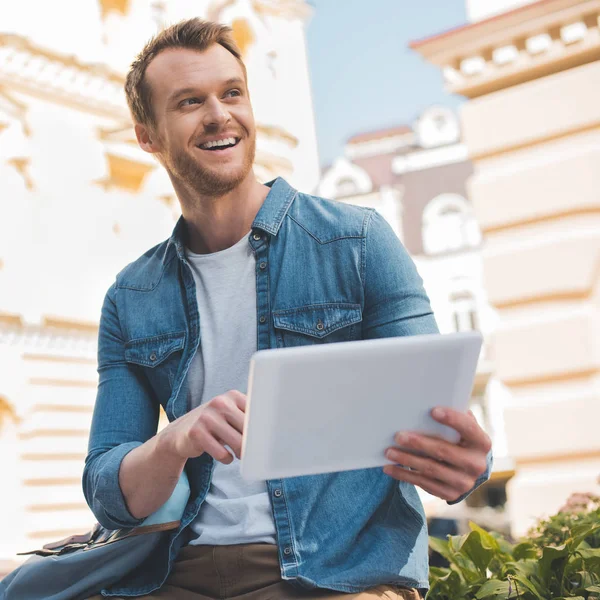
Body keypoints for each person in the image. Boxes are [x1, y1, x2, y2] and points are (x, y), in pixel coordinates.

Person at [84, 18, 492, 600]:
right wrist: (176, 439)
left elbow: (442, 424)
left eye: (232, 93)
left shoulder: (358, 242)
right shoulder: (132, 296)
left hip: (336, 574)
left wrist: (467, 462)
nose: (220, 115)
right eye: (189, 102)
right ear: (148, 136)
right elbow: (107, 490)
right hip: (181, 573)